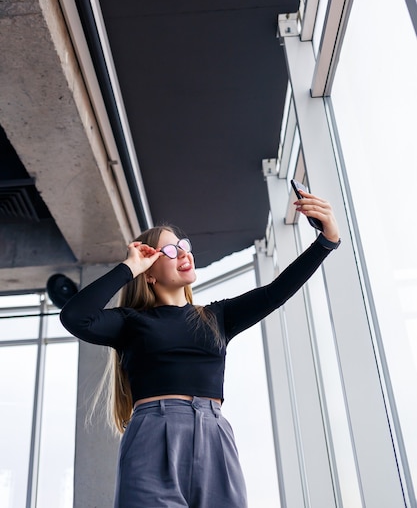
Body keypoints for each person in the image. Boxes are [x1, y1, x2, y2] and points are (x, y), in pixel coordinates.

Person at [60, 188, 340, 508]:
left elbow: (276, 293)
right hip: (154, 434)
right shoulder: (130, 322)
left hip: (215, 436)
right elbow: (75, 317)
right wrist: (130, 267)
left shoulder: (216, 317)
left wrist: (326, 241)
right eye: (168, 251)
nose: (183, 253)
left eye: (183, 246)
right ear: (148, 274)